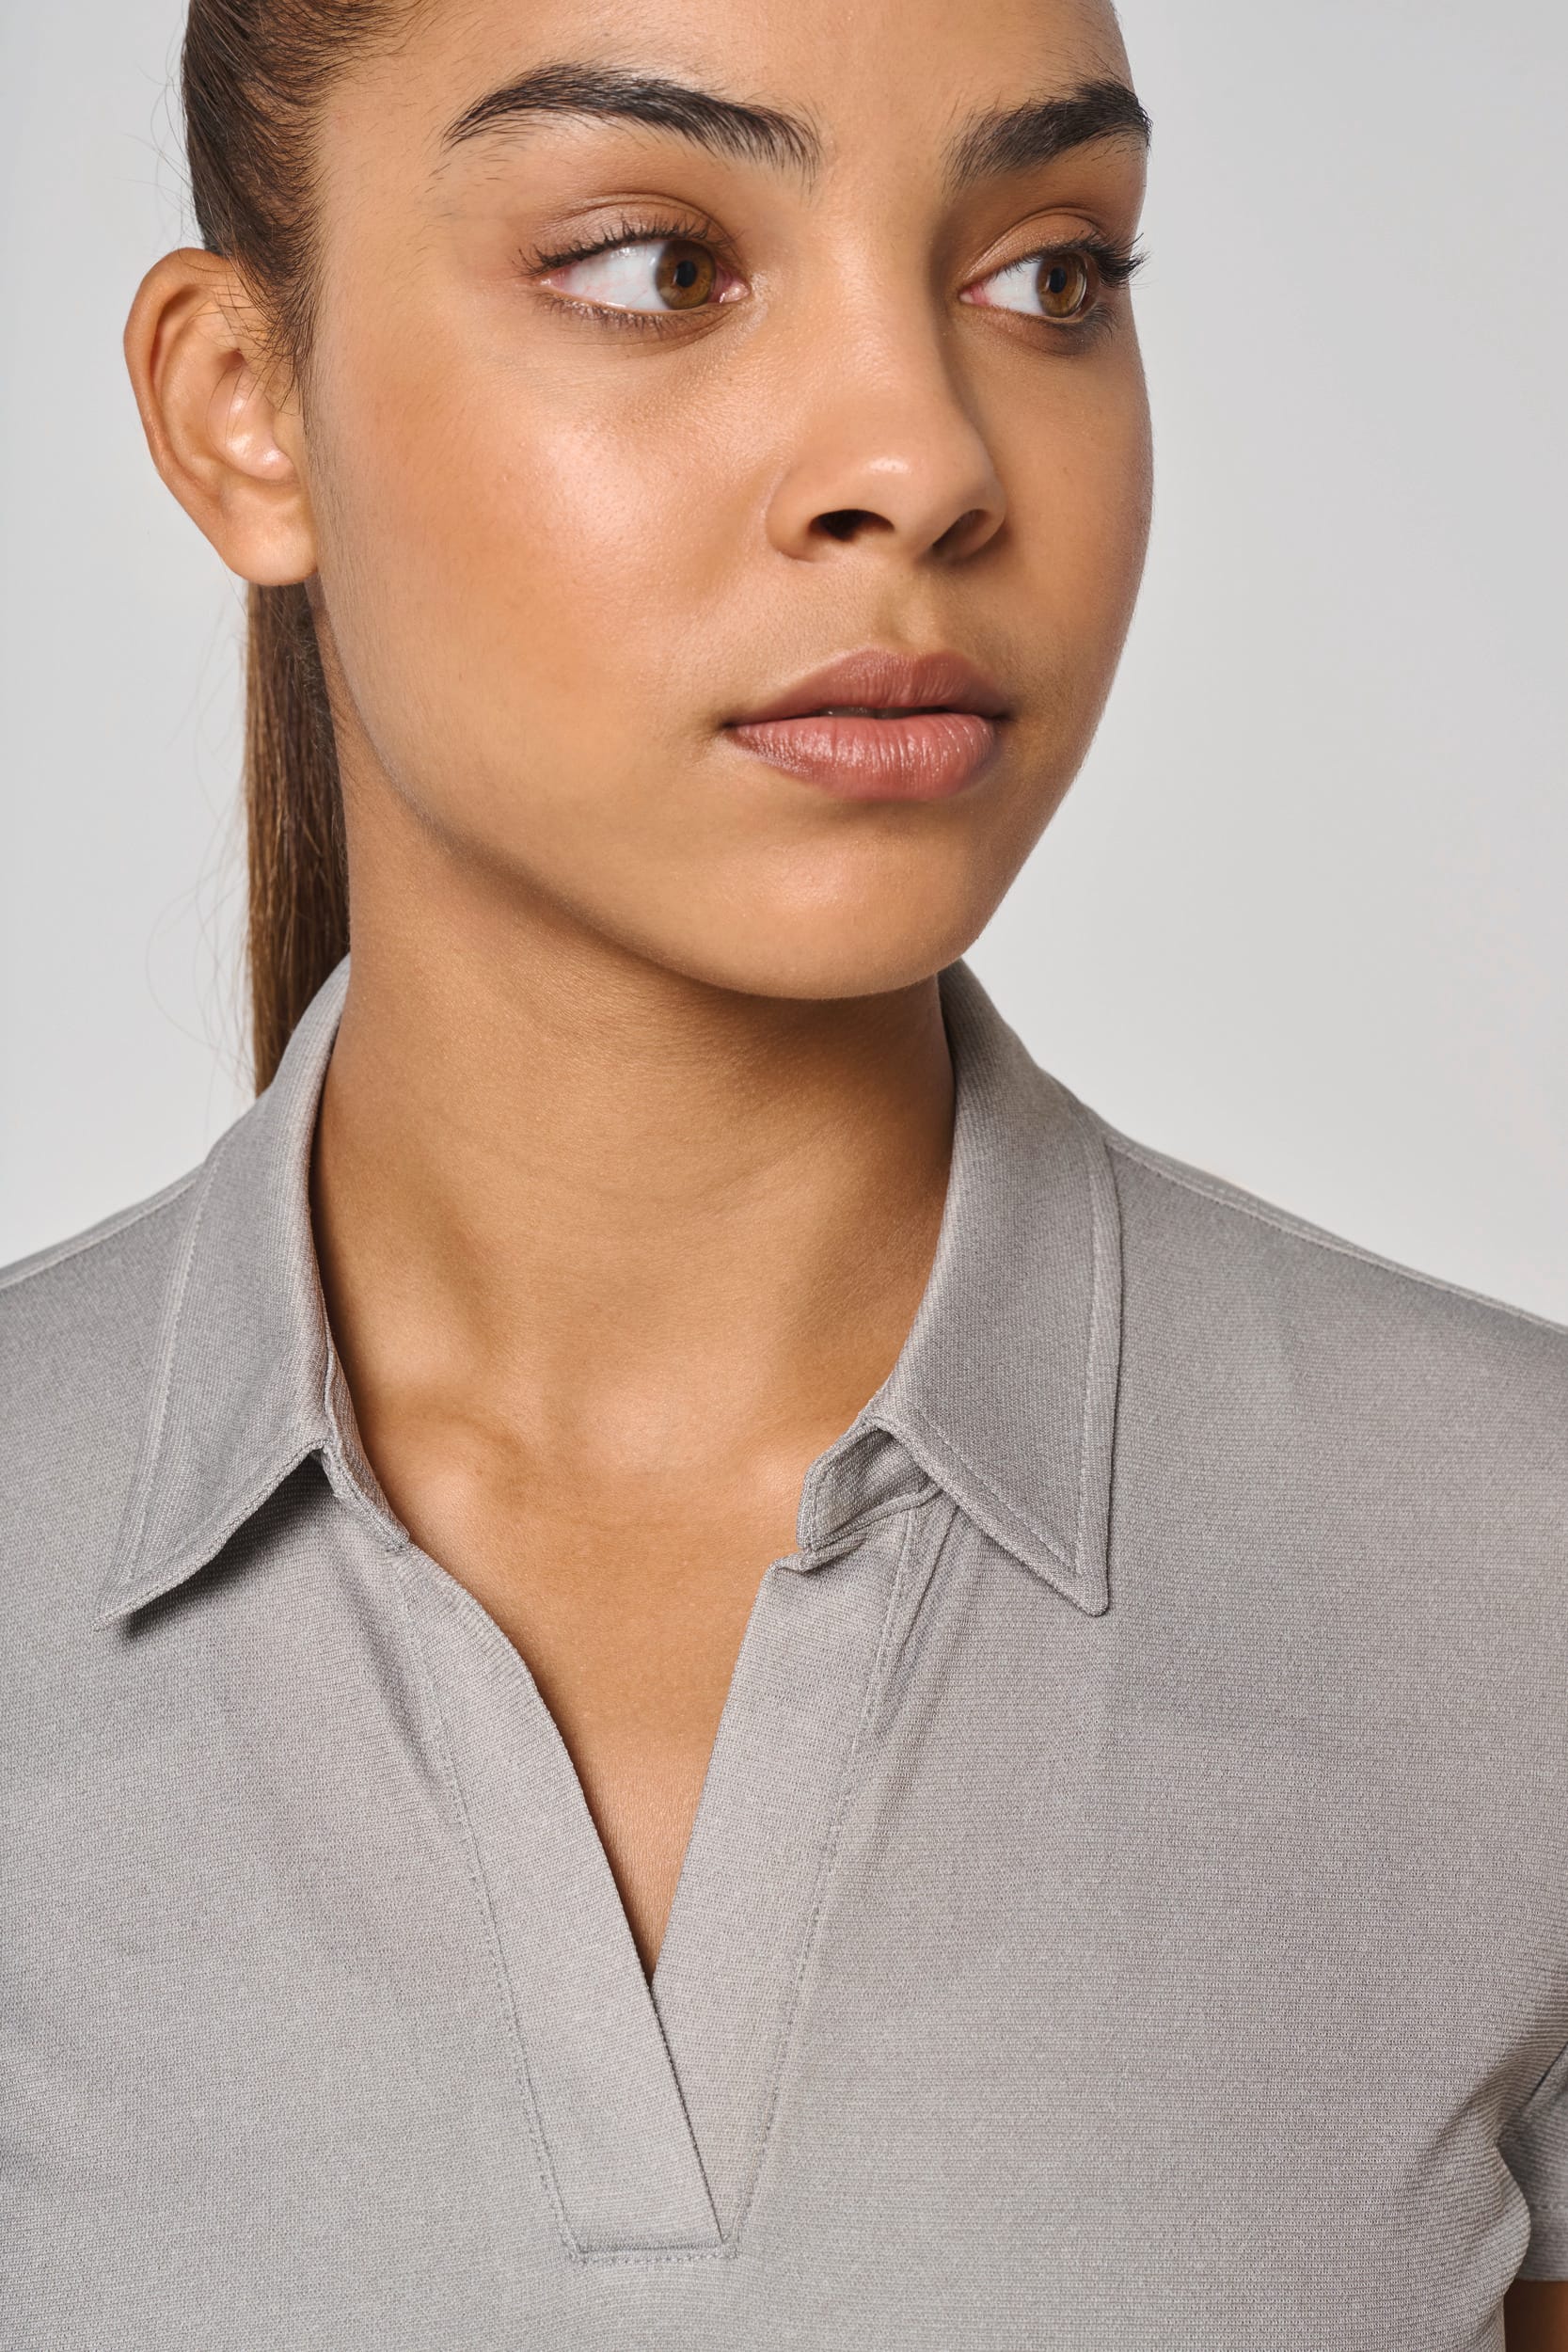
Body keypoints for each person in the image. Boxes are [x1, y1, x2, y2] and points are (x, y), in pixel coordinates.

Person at [2, 0, 1564, 2342]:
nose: (921, 461)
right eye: (660, 267)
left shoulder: (1516, 1583)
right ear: (244, 405)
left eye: (1048, 272)